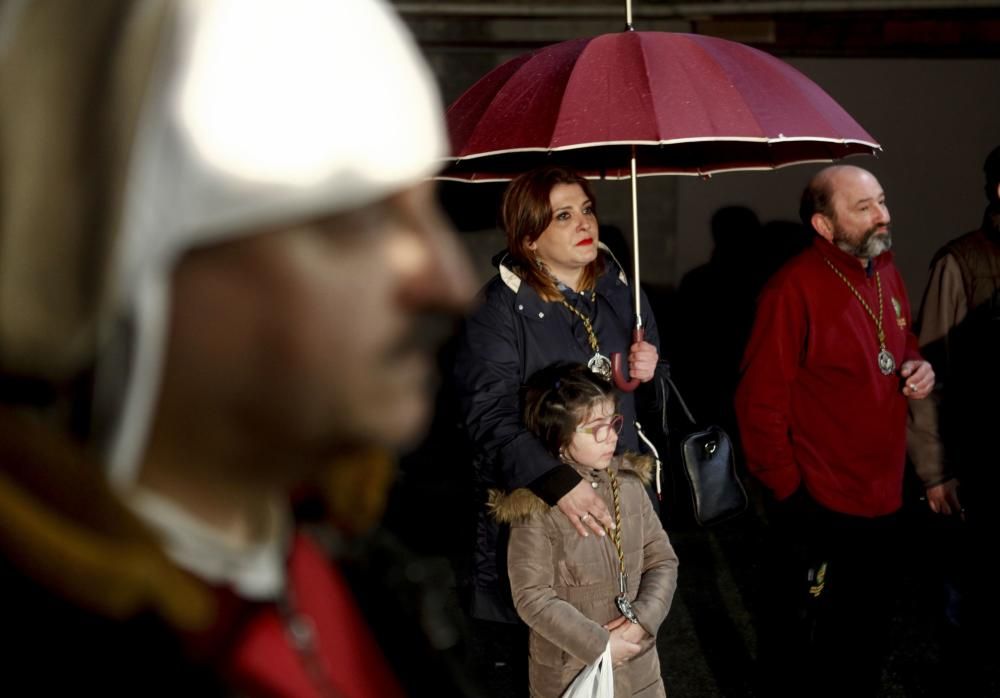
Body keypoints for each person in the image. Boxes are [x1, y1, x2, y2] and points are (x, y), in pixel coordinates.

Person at [0, 1, 474, 695]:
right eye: (352, 222)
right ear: (132, 261)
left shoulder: (362, 579)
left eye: (426, 207)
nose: (452, 284)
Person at [452, 166, 662, 693]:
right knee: (552, 666)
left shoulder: (619, 288)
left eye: (586, 209)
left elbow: (633, 397)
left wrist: (646, 370)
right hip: (542, 521)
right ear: (530, 238)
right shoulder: (499, 310)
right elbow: (488, 418)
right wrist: (558, 482)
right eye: (563, 216)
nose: (583, 223)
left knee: (626, 660)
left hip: (617, 506)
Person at [734, 165, 934, 697]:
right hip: (817, 500)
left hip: (883, 495)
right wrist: (790, 494)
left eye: (882, 201)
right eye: (864, 207)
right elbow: (759, 405)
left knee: (864, 641)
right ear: (824, 225)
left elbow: (900, 339)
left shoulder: (884, 268)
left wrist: (916, 364)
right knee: (799, 648)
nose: (883, 215)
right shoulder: (790, 290)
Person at [489, 362, 678, 697]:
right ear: (559, 438)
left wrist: (642, 622)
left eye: (613, 422)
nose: (611, 436)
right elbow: (531, 596)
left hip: (639, 663)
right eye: (595, 428)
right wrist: (601, 644)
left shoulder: (630, 484)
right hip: (570, 669)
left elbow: (662, 561)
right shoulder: (536, 506)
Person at [907, 144, 1000, 689]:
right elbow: (928, 373)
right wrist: (934, 469)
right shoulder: (962, 262)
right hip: (978, 457)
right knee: (969, 604)